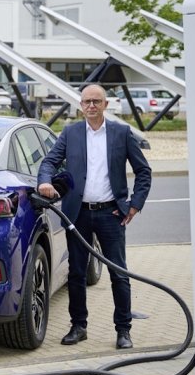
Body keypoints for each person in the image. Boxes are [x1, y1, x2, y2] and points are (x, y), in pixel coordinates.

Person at [37, 84, 151, 350]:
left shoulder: (122, 133)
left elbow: (143, 171)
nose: (91, 105)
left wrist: (134, 205)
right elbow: (49, 162)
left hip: (112, 214)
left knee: (118, 274)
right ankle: (78, 326)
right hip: (78, 215)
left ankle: (123, 330)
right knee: (76, 273)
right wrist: (45, 181)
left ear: (105, 104)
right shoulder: (71, 133)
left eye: (96, 101)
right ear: (81, 105)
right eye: (87, 101)